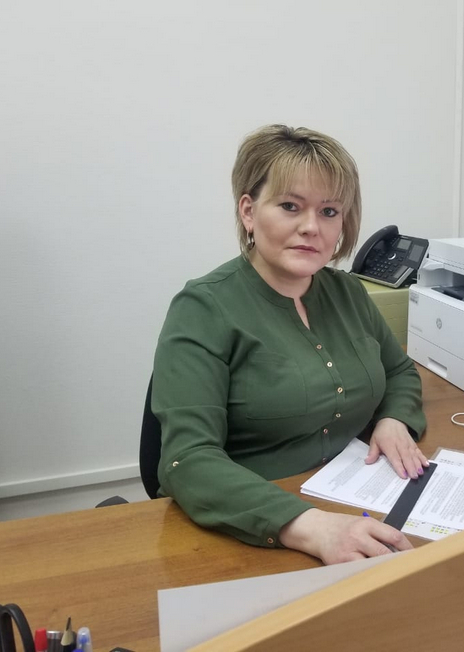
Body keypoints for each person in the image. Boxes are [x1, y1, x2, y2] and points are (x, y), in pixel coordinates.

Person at [152, 124, 428, 565]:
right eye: (289, 206)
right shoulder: (203, 309)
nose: (311, 227)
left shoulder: (349, 292)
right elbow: (187, 460)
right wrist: (312, 527)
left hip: (353, 501)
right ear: (248, 211)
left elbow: (398, 371)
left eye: (329, 211)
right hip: (251, 526)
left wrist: (394, 419)